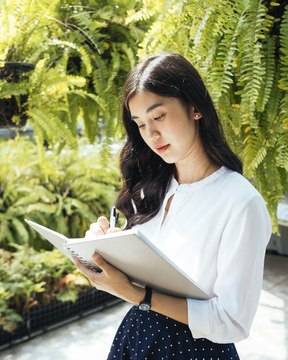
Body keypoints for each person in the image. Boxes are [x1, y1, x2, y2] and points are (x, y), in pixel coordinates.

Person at [73, 52, 272, 360]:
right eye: (140, 124)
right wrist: (105, 252)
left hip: (193, 350)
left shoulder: (241, 202)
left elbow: (233, 321)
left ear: (194, 108)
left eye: (159, 116)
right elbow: (142, 276)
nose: (151, 135)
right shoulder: (153, 188)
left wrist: (137, 295)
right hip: (138, 337)